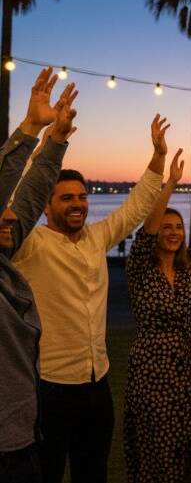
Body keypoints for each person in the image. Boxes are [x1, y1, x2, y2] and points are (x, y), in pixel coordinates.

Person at [13, 113, 167, 483]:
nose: (78, 204)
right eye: (66, 198)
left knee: (93, 471)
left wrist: (158, 156)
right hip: (48, 386)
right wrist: (46, 146)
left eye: (82, 197)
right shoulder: (29, 244)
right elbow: (17, 201)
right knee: (46, 473)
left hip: (98, 382)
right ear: (45, 205)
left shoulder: (97, 238)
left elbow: (135, 208)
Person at [123, 146, 191, 482]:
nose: (173, 232)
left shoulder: (188, 267)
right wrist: (170, 183)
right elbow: (146, 231)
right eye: (167, 227)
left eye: (179, 227)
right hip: (151, 364)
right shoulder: (140, 266)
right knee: (160, 438)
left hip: (186, 363)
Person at [0, 68, 76, 483]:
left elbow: (27, 201)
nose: (11, 217)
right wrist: (30, 127)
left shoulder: (4, 257)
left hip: (23, 437)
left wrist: (56, 142)